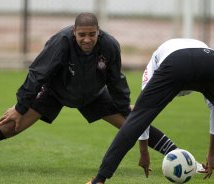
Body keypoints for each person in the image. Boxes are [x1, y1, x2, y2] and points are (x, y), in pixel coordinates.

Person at [0, 12, 178, 174]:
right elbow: (37, 74)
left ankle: (180, 156)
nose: (86, 39)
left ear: (98, 32)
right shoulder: (60, 42)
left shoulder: (110, 46)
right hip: (55, 91)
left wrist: (125, 107)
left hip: (93, 94)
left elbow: (116, 80)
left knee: (135, 123)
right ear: (74, 31)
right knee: (11, 126)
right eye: (81, 34)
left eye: (91, 34)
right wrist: (20, 108)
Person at [88, 38, 214, 184]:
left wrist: (143, 152)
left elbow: (141, 118)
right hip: (209, 60)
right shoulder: (162, 57)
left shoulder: (154, 63)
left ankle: (99, 180)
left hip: (176, 62)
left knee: (135, 119)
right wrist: (212, 153)